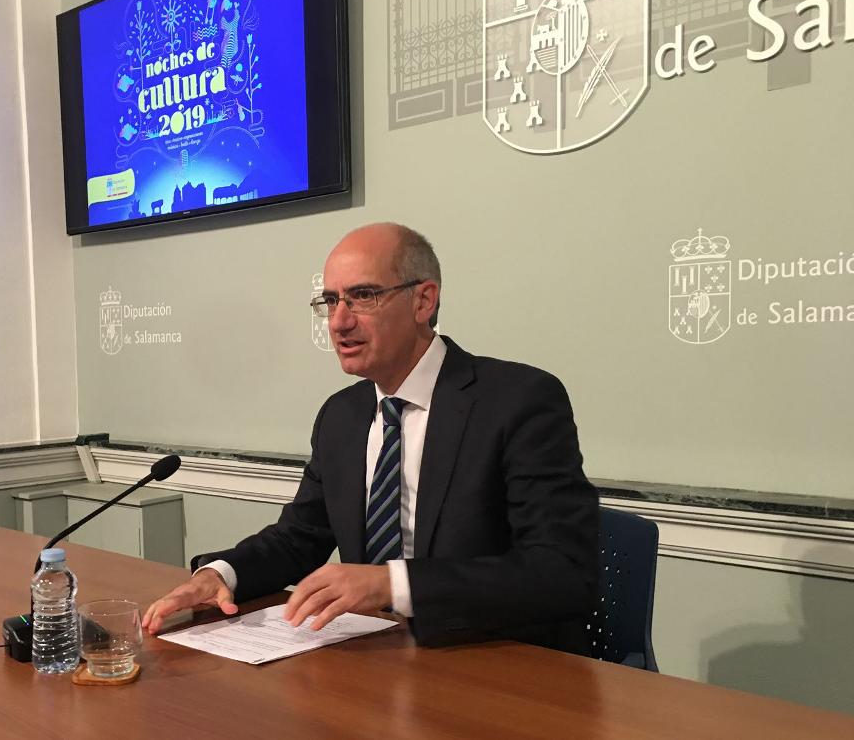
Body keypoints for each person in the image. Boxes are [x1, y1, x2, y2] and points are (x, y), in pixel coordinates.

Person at [142, 223, 599, 654]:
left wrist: (392, 584)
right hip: (377, 657)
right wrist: (221, 575)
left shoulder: (518, 401)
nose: (339, 322)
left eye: (363, 296)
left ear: (423, 301)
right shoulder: (341, 415)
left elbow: (561, 571)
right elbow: (299, 538)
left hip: (494, 660)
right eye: (330, 301)